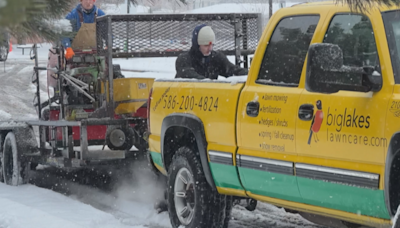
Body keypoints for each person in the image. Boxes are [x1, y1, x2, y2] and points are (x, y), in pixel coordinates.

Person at [175, 24, 248, 79]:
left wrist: (251, 74)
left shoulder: (216, 58)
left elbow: (232, 69)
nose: (210, 49)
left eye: (212, 45)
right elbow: (189, 76)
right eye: (206, 45)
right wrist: (207, 83)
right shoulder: (184, 60)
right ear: (197, 45)